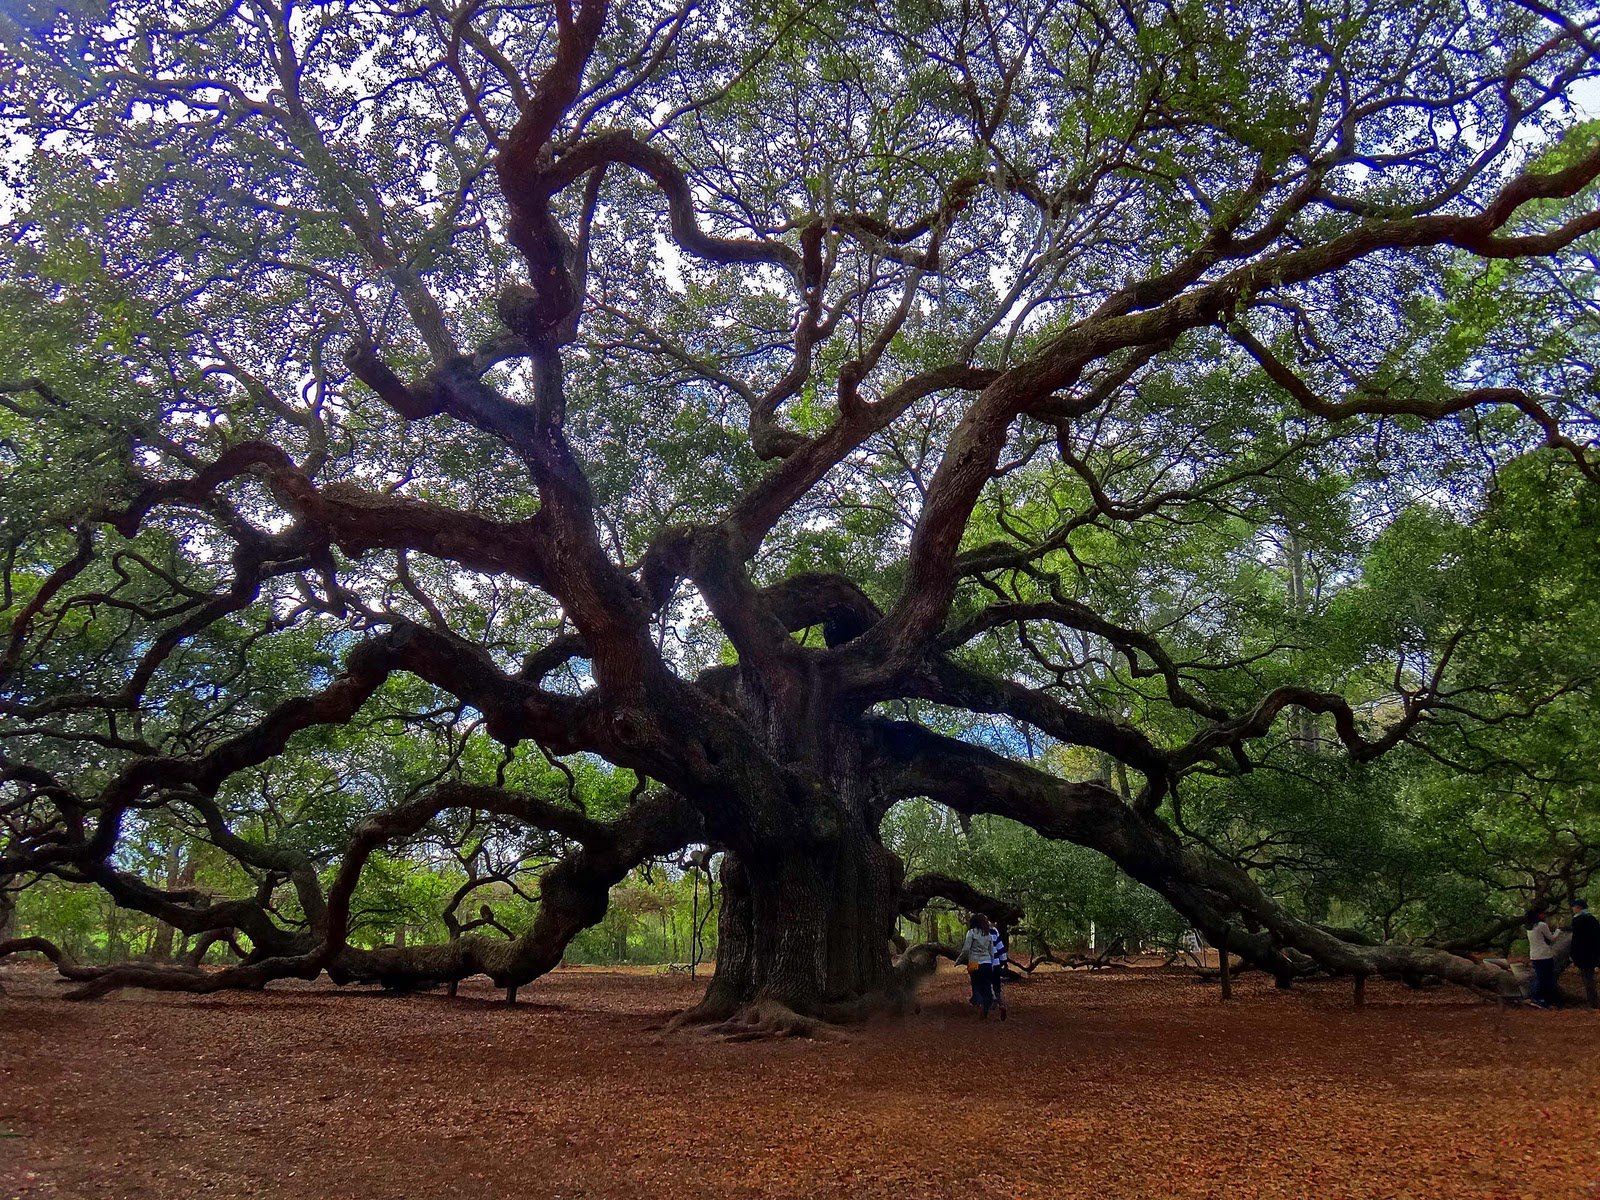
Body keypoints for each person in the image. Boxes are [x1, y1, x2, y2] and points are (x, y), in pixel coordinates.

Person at [956, 912, 995, 1017]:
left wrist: (958, 960)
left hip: (974, 963)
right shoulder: (988, 935)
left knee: (976, 985)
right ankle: (987, 1005)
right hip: (987, 963)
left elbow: (966, 950)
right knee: (987, 986)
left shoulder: (971, 933)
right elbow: (991, 952)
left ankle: (979, 1002)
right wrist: (991, 964)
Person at [1526, 908, 1561, 1008]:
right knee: (1546, 977)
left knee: (1540, 976)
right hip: (1544, 955)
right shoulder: (1541, 925)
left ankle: (1540, 998)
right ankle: (1538, 998)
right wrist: (1558, 930)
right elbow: (1552, 938)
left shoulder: (1528, 927)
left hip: (1534, 955)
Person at [1571, 898, 1599, 1010]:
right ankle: (1594, 1000)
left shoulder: (1577, 920)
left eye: (1574, 907)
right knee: (1590, 977)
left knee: (1587, 978)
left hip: (1582, 954)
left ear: (1579, 907)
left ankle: (1592, 1003)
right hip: (1593, 953)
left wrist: (1573, 954)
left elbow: (1576, 939)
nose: (1573, 909)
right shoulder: (1592, 919)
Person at [989, 923, 1009, 1021]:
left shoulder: (976, 932)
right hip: (996, 963)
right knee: (997, 985)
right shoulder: (994, 931)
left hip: (984, 963)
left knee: (986, 983)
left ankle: (992, 999)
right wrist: (1004, 961)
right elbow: (1000, 947)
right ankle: (1001, 1004)